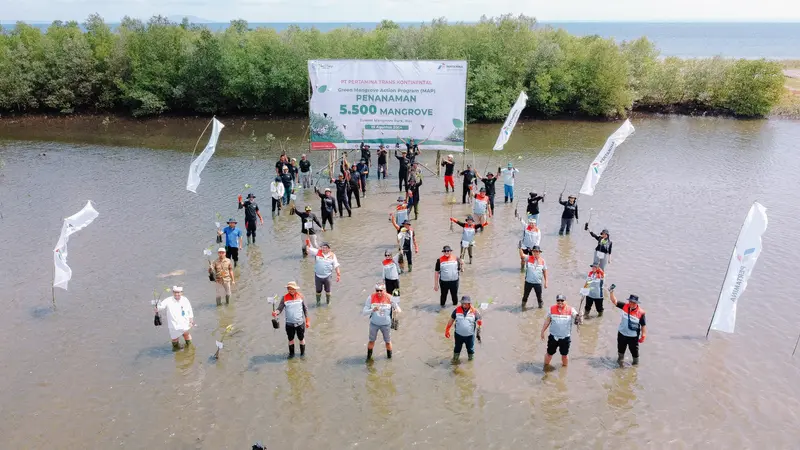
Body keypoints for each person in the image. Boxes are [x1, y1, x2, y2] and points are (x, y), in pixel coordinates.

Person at [540, 294, 580, 368]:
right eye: (558, 300)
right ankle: (545, 367)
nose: (560, 302)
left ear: (565, 301)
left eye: (562, 300)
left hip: (565, 338)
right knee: (549, 354)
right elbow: (547, 321)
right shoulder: (551, 309)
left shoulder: (571, 309)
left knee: (564, 355)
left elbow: (577, 318)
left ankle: (564, 369)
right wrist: (542, 331)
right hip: (553, 337)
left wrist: (578, 318)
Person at [362, 283, 399, 361]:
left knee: (388, 342)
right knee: (371, 341)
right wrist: (372, 309)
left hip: (386, 325)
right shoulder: (371, 297)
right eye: (377, 290)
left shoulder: (390, 297)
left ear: (384, 290)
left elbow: (398, 309)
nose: (378, 292)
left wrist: (396, 310)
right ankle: (368, 359)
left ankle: (389, 359)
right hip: (374, 324)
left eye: (380, 291)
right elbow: (364, 312)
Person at [273, 281, 310, 358]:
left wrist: (307, 321)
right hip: (289, 324)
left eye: (292, 289)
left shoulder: (301, 296)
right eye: (289, 289)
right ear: (287, 289)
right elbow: (280, 309)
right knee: (290, 340)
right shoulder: (284, 298)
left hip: (300, 323)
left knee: (301, 339)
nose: (291, 290)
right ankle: (291, 355)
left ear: (296, 289)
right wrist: (276, 312)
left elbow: (305, 309)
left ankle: (302, 355)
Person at [610, 289, 646, 365]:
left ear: (636, 303)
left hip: (633, 337)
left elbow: (643, 325)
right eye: (630, 302)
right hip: (622, 334)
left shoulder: (641, 313)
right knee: (620, 351)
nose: (631, 304)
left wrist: (643, 335)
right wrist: (611, 292)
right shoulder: (624, 306)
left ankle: (635, 367)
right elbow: (614, 301)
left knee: (635, 354)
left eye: (633, 302)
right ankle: (620, 365)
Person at [155, 286, 194, 351]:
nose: (177, 294)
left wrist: (191, 321)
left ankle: (189, 349)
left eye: (178, 292)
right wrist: (157, 309)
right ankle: (176, 350)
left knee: (186, 335)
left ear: (181, 293)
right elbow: (161, 306)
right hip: (173, 324)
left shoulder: (185, 299)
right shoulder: (168, 300)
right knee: (174, 338)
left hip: (184, 322)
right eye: (175, 292)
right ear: (173, 292)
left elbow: (190, 310)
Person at [444, 295, 482, 362]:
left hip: (470, 336)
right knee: (457, 348)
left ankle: (470, 362)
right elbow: (451, 320)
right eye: (462, 303)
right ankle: (455, 360)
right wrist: (447, 330)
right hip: (458, 335)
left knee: (470, 349)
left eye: (465, 303)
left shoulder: (475, 312)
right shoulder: (457, 310)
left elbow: (479, 323)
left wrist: (479, 322)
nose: (463, 304)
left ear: (469, 303)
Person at [305, 240, 341, 305]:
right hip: (318, 276)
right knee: (318, 290)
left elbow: (336, 265)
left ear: (329, 248)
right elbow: (309, 249)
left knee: (328, 290)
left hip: (327, 276)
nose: (323, 249)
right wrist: (307, 244)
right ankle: (318, 302)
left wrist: (338, 275)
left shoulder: (332, 255)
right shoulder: (317, 252)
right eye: (322, 247)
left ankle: (328, 302)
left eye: (325, 247)